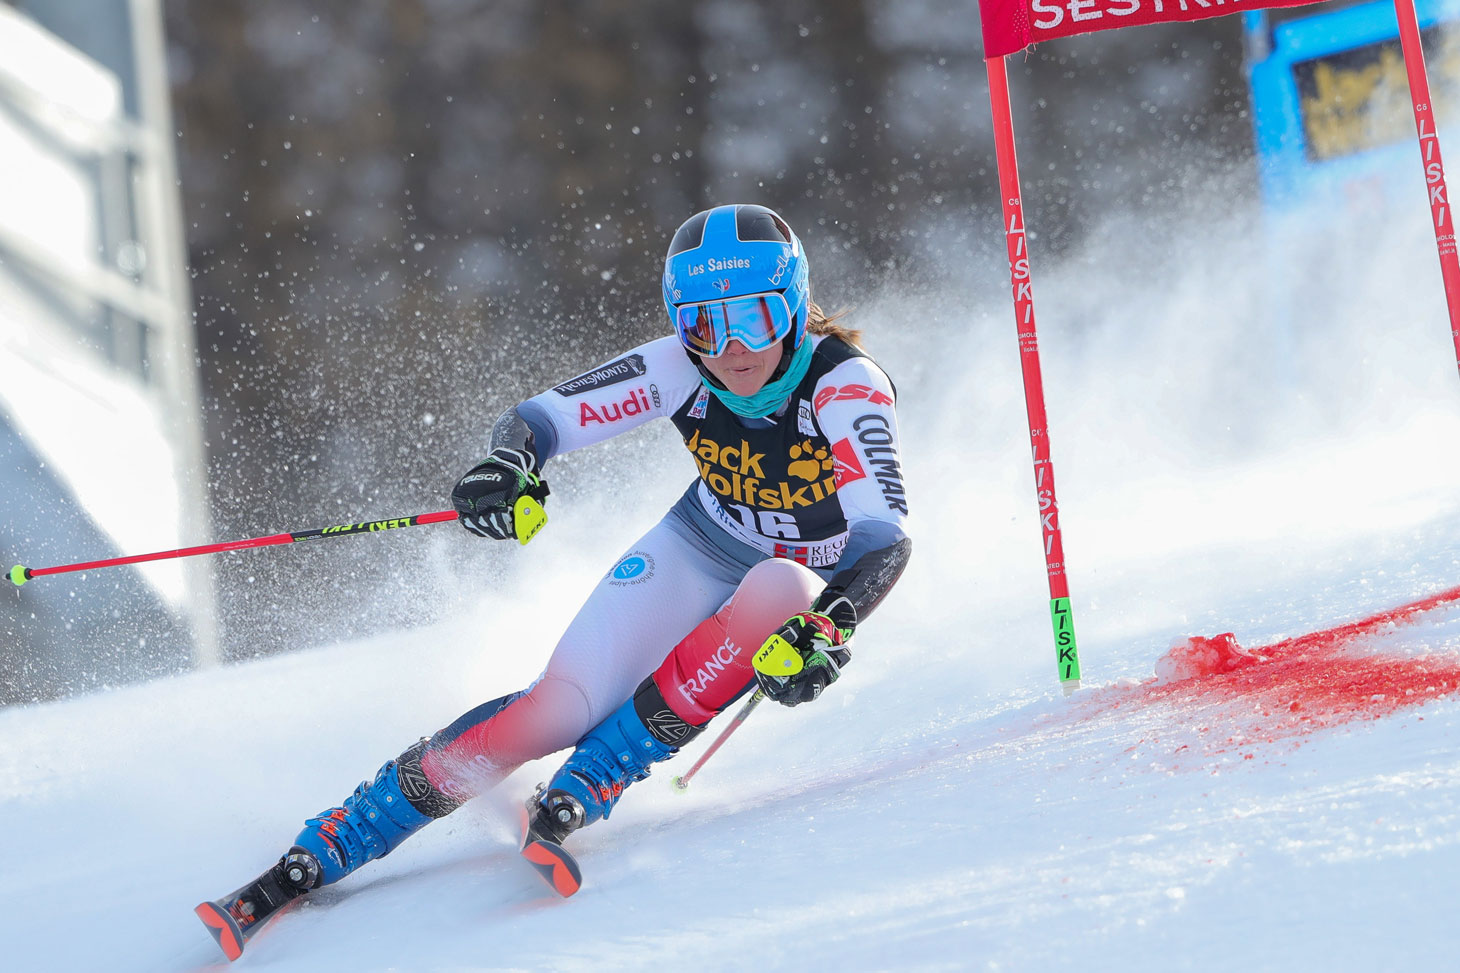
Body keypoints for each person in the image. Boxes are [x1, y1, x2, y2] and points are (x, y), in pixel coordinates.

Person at [269, 203, 911, 896]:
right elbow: (539, 420)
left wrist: (830, 623)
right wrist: (510, 464)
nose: (730, 346)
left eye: (753, 316)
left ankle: (600, 769)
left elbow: (884, 538)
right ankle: (355, 827)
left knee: (783, 589)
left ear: (791, 305)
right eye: (702, 321)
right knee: (556, 709)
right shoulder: (679, 365)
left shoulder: (845, 385)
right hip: (703, 543)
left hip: (805, 578)